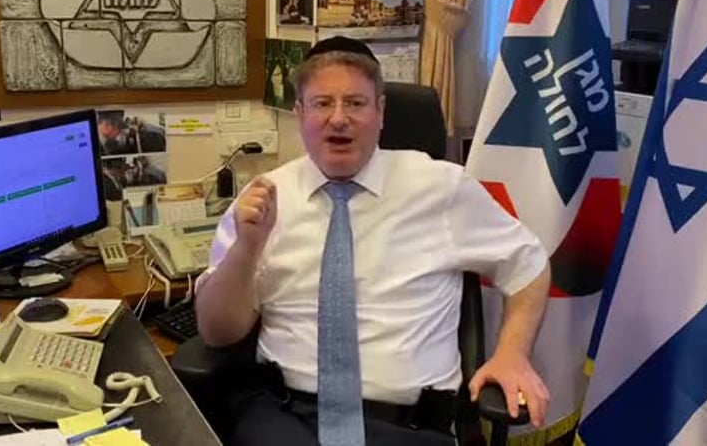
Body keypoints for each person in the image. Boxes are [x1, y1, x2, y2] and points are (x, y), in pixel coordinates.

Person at [195, 37, 552, 446]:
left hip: (409, 428)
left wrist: (512, 354)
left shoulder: (441, 187)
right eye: (322, 103)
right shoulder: (263, 199)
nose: (339, 118)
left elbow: (528, 264)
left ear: (380, 112)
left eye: (356, 103)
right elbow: (217, 333)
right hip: (285, 418)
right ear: (300, 113)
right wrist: (247, 248)